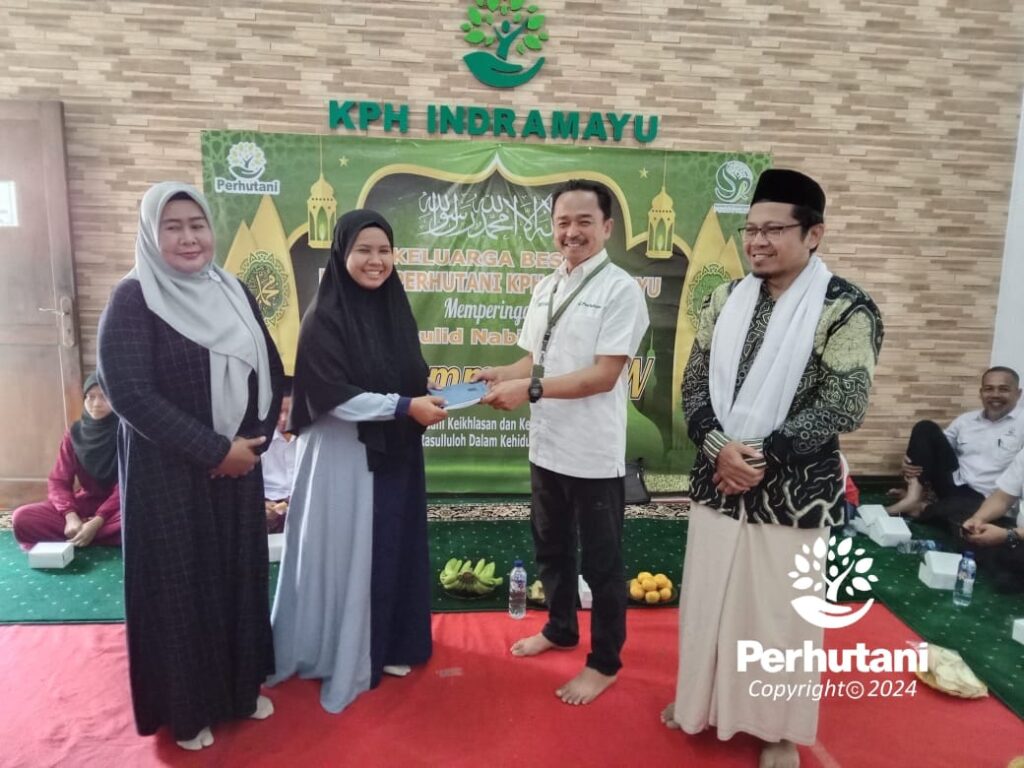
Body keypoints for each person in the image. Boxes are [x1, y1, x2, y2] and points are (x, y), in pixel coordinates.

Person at [663, 169, 883, 768]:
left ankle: (777, 730)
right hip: (719, 479)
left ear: (813, 234)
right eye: (751, 230)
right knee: (708, 600)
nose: (757, 242)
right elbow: (693, 383)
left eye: (773, 230)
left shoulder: (845, 308)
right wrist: (719, 448)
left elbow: (844, 402)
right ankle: (700, 701)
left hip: (793, 492)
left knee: (779, 616)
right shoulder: (725, 299)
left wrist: (760, 456)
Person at [97, 182, 284, 751]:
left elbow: (271, 367)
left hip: (237, 472)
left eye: (197, 225)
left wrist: (252, 444)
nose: (188, 238)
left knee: (236, 579)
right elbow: (130, 395)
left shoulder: (233, 290)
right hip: (169, 479)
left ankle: (239, 689)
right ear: (150, 233)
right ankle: (187, 709)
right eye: (172, 226)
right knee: (182, 589)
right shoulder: (133, 300)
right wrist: (214, 451)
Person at [477, 179, 649, 706]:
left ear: (607, 227)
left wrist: (528, 389)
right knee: (551, 547)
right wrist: (500, 374)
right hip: (546, 446)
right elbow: (535, 360)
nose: (572, 232)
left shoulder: (621, 290)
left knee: (601, 563)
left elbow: (602, 375)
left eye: (584, 222)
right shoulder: (547, 286)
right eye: (563, 223)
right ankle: (560, 628)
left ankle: (605, 663)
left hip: (593, 454)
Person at [269, 209, 447, 714]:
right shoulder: (324, 317)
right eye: (364, 250)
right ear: (341, 254)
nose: (376, 261)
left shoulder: (395, 309)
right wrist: (404, 406)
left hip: (395, 448)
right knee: (351, 552)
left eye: (384, 250)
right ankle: (343, 649)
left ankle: (389, 643)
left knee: (392, 543)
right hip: (343, 458)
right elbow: (331, 395)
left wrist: (431, 395)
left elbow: (407, 372)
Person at [887, 367, 1021, 533]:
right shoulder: (966, 420)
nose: (995, 395)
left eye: (1003, 389)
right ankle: (913, 498)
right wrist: (909, 462)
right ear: (981, 393)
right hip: (956, 484)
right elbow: (934, 448)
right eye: (989, 389)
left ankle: (924, 507)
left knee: (960, 514)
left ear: (1018, 393)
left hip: (990, 499)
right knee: (925, 427)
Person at [11, 373, 121, 550]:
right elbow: (58, 481)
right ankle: (93, 534)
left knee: (142, 517)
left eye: (104, 397)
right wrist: (70, 516)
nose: (96, 404)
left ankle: (87, 534)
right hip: (85, 504)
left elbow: (127, 485)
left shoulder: (127, 433)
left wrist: (97, 521)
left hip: (118, 507)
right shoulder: (75, 434)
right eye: (90, 397)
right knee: (22, 517)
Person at [961, 447, 1024, 590]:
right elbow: (1003, 497)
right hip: (1016, 534)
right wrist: (978, 519)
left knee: (1007, 570)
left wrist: (1010, 535)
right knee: (962, 520)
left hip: (1016, 535)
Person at [263, 380, 296, 534]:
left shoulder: (310, 439)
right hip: (269, 504)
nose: (283, 420)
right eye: (279, 413)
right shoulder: (262, 440)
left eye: (289, 413)